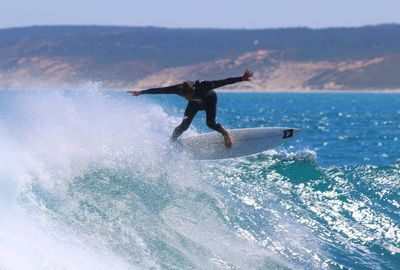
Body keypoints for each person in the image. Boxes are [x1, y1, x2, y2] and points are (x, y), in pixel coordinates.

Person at [128, 69, 253, 148]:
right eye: (184, 96)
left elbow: (222, 82)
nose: (185, 98)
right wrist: (141, 92)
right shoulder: (178, 89)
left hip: (209, 100)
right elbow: (159, 90)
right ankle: (170, 142)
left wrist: (241, 78)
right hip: (195, 104)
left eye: (188, 96)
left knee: (210, 123)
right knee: (183, 126)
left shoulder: (203, 85)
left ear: (193, 90)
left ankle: (225, 134)